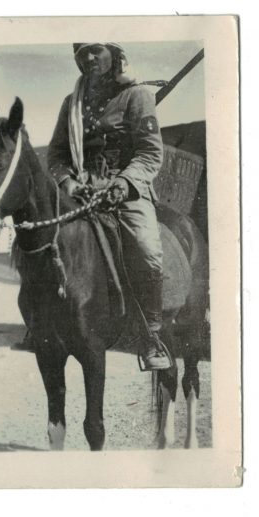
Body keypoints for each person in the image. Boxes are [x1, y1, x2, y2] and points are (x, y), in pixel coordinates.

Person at [46, 42, 171, 370]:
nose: (89, 58)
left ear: (114, 54)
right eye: (82, 52)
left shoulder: (137, 96)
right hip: (81, 192)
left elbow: (149, 152)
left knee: (146, 250)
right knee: (44, 241)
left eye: (96, 50)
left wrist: (124, 182)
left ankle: (152, 336)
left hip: (125, 190)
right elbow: (56, 155)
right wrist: (68, 183)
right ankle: (43, 325)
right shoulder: (70, 104)